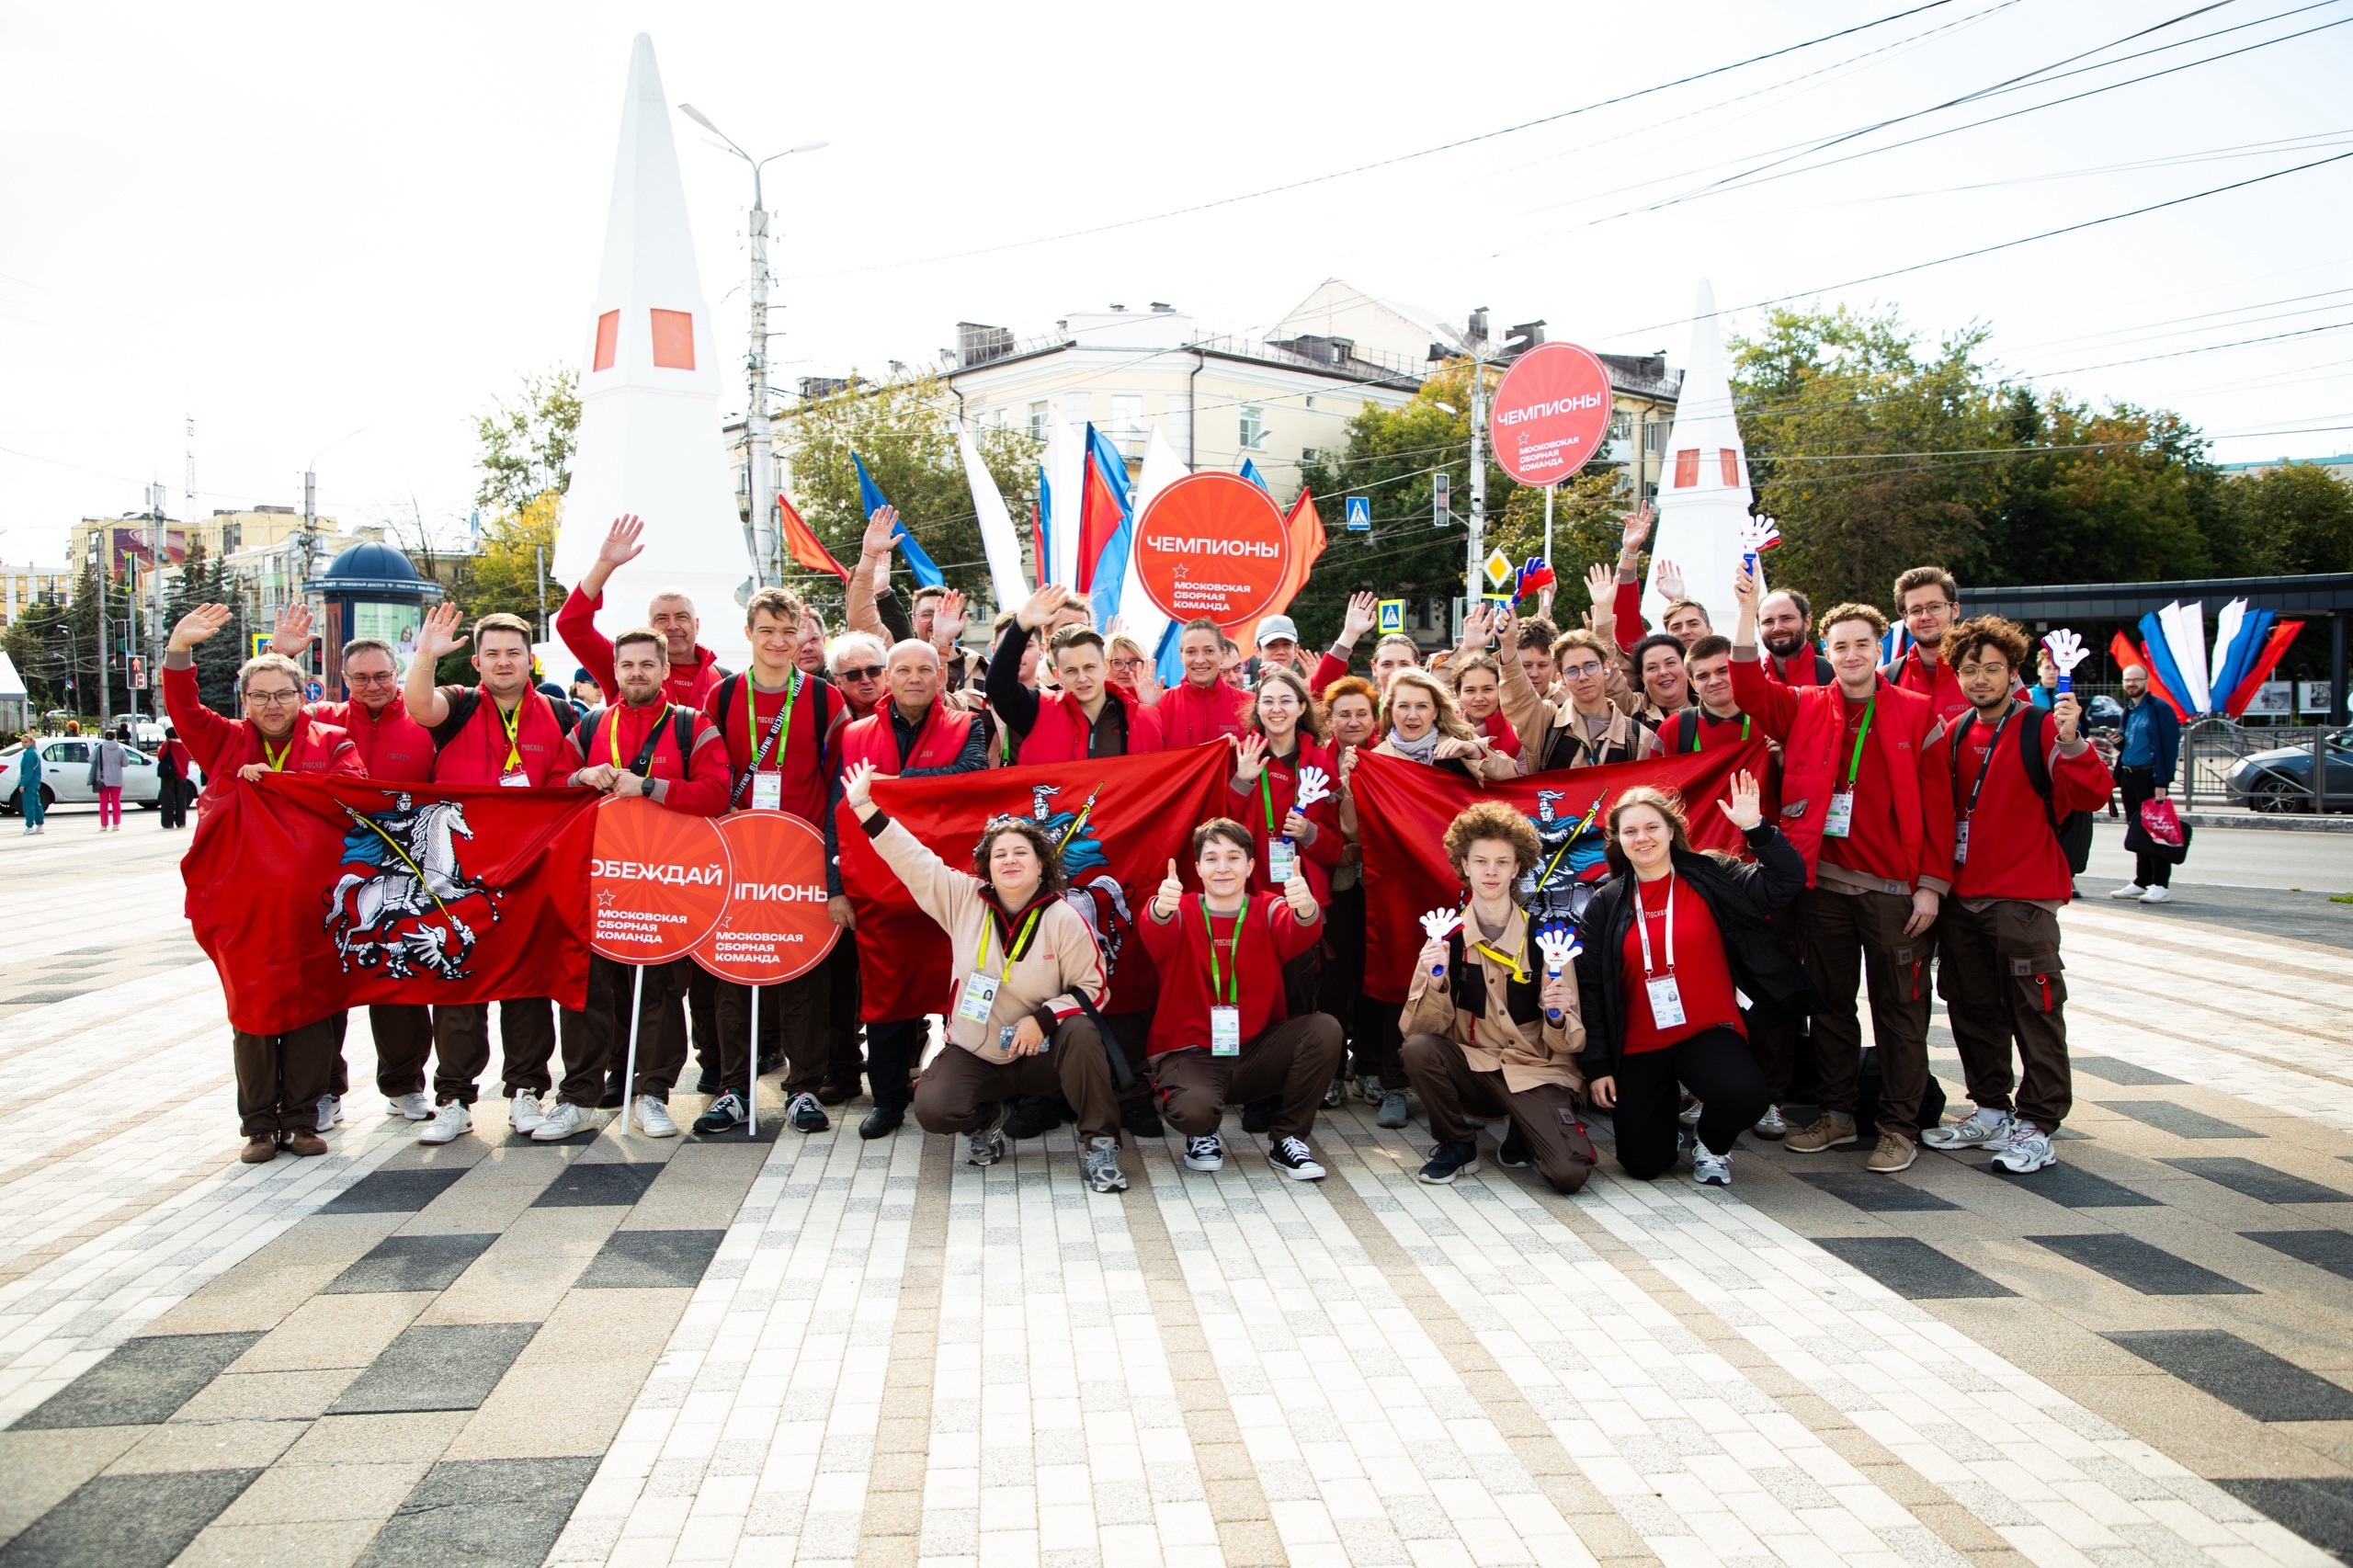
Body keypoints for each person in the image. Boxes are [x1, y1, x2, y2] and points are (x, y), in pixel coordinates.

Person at [1730, 564, 1954, 1174]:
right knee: (1829, 1006)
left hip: (1894, 894)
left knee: (1901, 1014)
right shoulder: (1804, 706)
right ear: (1825, 652)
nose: (1851, 655)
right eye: (1840, 646)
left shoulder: (1916, 713)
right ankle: (1837, 1112)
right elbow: (1748, 690)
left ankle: (1900, 1125)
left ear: (1880, 650)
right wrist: (1748, 614)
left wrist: (1931, 888)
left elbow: (1940, 809)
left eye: (1862, 644)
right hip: (1823, 887)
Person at [842, 763, 1129, 1189]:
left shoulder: (1064, 918)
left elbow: (1093, 989)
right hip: (979, 1051)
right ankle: (991, 1119)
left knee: (1084, 1031)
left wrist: (1045, 1018)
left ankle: (1101, 1145)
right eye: (1000, 854)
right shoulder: (962, 899)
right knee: (935, 1109)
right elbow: (912, 859)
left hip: (1043, 1053)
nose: (1010, 860)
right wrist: (864, 806)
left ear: (1040, 865)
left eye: (1020, 853)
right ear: (986, 867)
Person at [163, 604, 364, 1163]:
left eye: (283, 695)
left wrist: (286, 781)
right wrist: (180, 650)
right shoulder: (223, 742)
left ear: (304, 696)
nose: (272, 706)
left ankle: (301, 1120)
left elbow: (355, 799)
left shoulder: (334, 742)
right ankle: (257, 1127)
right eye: (260, 696)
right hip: (243, 909)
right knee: (251, 1014)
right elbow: (182, 705)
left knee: (311, 1010)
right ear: (244, 701)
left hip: (315, 909)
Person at [1919, 618, 2111, 1175]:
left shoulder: (2042, 726)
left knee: (2036, 1009)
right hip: (1963, 898)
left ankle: (2039, 1121)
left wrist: (2074, 740)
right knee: (1972, 1008)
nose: (1980, 679)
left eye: (1992, 669)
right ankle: (1990, 1108)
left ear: (2013, 673)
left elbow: (2092, 793)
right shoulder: (1955, 733)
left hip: (2023, 898)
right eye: (1970, 670)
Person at [403, 604, 585, 1145]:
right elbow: (419, 709)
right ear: (476, 663)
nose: (503, 663)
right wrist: (425, 658)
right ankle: (455, 1098)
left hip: (531, 873)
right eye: (492, 654)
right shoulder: (458, 706)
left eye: (513, 653)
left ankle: (526, 1089)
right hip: (460, 877)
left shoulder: (560, 714)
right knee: (459, 984)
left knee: (527, 985)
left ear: (531, 660)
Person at [545, 628, 733, 1142]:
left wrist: (650, 786)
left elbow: (718, 792)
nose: (636, 674)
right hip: (599, 884)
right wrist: (580, 779)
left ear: (665, 670)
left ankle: (653, 1094)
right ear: (615, 671)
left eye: (646, 665)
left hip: (667, 884)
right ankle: (577, 1096)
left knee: (661, 992)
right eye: (626, 665)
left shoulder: (694, 726)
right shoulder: (587, 726)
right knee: (587, 991)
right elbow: (550, 787)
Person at [1574, 775, 1810, 1186]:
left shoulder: (1711, 877)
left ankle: (1711, 1143)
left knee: (1746, 1095)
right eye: (1630, 831)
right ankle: (1665, 1124)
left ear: (1671, 830)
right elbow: (1591, 988)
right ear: (1617, 840)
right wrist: (1596, 1066)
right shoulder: (1607, 902)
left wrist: (1756, 828)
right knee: (1645, 1164)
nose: (1642, 838)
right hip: (1640, 1042)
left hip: (1705, 1029)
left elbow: (1786, 880)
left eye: (1651, 827)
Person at [270, 610, 440, 1126]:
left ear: (398, 673)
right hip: (329, 871)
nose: (373, 686)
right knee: (328, 984)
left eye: (382, 675)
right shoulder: (317, 722)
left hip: (402, 871)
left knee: (401, 977)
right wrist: (283, 655)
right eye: (361, 677)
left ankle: (405, 1084)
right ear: (344, 680)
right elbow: (261, 708)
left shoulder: (426, 723)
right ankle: (325, 1089)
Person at [694, 587, 852, 1131]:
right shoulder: (721, 696)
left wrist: (833, 863)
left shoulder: (822, 699)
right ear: (749, 635)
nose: (779, 641)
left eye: (790, 631)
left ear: (803, 636)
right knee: (733, 971)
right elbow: (710, 777)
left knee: (804, 975)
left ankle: (804, 1087)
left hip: (801, 857)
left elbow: (836, 786)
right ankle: (734, 1088)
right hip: (737, 856)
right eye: (768, 631)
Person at [839, 636, 992, 1137]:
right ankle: (886, 1101)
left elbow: (970, 776)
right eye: (901, 669)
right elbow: (835, 808)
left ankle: (969, 1094)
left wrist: (891, 782)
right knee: (885, 1004)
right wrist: (832, 884)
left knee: (962, 998)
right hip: (879, 889)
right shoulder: (853, 734)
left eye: (924, 669)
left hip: (948, 891)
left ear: (940, 676)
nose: (913, 678)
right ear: (887, 677)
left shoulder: (968, 724)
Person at [1399, 801, 1594, 1191]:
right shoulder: (1445, 940)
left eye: (1502, 862)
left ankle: (1525, 1125)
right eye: (1481, 861)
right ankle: (1457, 1144)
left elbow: (1571, 1041)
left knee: (1569, 1176)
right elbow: (1416, 1029)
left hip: (1536, 1071)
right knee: (1419, 1049)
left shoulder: (1546, 942)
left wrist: (1556, 1016)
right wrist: (1436, 979)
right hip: (1476, 1069)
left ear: (1517, 867)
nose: (1491, 872)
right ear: (1464, 865)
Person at [1140, 820, 1341, 1180]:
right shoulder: (1181, 910)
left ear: (1249, 866)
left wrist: (1307, 906)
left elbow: (1299, 929)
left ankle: (1288, 1139)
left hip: (1253, 1052)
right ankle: (1202, 1135)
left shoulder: (1266, 908)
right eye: (1212, 858)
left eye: (1233, 857)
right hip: (1191, 1052)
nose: (1222, 868)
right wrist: (1161, 907)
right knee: (1195, 1112)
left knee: (1323, 1028)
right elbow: (1154, 928)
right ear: (1197, 867)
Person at [558, 514, 730, 706]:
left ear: (696, 625)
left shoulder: (725, 682)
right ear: (649, 626)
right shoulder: (625, 666)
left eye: (681, 617)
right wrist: (605, 564)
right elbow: (571, 625)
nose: (672, 626)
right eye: (662, 619)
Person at [989, 586, 1165, 762]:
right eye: (1071, 670)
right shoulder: (1038, 710)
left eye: (1089, 667)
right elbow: (998, 687)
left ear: (1104, 666)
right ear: (1058, 675)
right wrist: (1022, 624)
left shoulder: (1142, 718)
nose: (1082, 678)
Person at [1320, 676, 1385, 1108]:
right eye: (1344, 714)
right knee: (1333, 980)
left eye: (1362, 713)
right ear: (1330, 720)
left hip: (1382, 884)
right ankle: (1328, 1072)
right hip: (1335, 883)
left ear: (1375, 717)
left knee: (1374, 976)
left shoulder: (1389, 756)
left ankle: (1370, 1066)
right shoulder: (1317, 760)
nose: (1353, 720)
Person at [1495, 619, 1656, 771]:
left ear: (1606, 669)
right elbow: (1519, 699)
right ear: (1561, 679)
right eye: (1572, 670)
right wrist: (1508, 645)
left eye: (1590, 666)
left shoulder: (1637, 737)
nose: (1583, 676)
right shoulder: (1545, 723)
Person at [2111, 664, 2182, 904]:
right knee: (2137, 831)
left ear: (2146, 681)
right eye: (2127, 680)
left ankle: (2160, 884)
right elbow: (2129, 745)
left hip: (2150, 777)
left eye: (2136, 680)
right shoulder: (2128, 711)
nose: (2131, 684)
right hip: (2130, 777)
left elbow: (2169, 747)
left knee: (2157, 830)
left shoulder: (2159, 709)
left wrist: (2162, 782)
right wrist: (2118, 742)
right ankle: (2142, 881)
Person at [1370, 669, 1518, 782]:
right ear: (1391, 711)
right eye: (1403, 706)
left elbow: (1513, 778)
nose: (1413, 715)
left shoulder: (1462, 740)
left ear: (1435, 712)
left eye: (1422, 706)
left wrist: (1474, 752)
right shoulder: (1377, 760)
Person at [1887, 565, 1971, 727]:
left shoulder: (1991, 671)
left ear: (1954, 610)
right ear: (1905, 619)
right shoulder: (1885, 680)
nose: (1925, 616)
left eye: (1934, 607)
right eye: (1916, 610)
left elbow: (2016, 735)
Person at [1156, 617, 1253, 746]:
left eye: (1209, 651)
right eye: (1191, 652)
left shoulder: (1249, 704)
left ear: (1223, 654)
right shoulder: (1160, 703)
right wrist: (1147, 708)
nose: (1200, 660)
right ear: (1181, 656)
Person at [1657, 636, 1755, 755]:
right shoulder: (1672, 729)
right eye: (1703, 676)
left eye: (1723, 671)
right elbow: (1656, 772)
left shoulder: (1768, 719)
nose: (1714, 681)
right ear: (1693, 684)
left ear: (1738, 670)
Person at [1450, 655, 1523, 764]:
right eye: (1470, 690)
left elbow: (1524, 778)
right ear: (1458, 694)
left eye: (1487, 689)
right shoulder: (1447, 729)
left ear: (1500, 691)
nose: (1479, 698)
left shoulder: (1517, 733)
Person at [1758, 587, 1835, 687]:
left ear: (1807, 622)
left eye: (1786, 619)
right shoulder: (1754, 684)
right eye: (1768, 622)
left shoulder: (1837, 675)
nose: (1777, 628)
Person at [1628, 632, 1691, 732]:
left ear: (1687, 668)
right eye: (1652, 668)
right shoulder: (1631, 710)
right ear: (1642, 677)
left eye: (1670, 663)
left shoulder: (1711, 707)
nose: (1663, 672)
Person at [88, 727, 126, 832]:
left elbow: (91, 759)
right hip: (117, 778)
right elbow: (125, 763)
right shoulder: (120, 748)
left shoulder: (99, 748)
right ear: (115, 737)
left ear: (105, 737)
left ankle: (104, 825)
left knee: (103, 803)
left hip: (102, 778)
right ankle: (116, 824)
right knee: (116, 802)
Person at [155, 724, 193, 829]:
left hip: (169, 773)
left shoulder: (167, 744)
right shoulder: (185, 744)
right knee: (181, 799)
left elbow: (161, 756)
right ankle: (181, 821)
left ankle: (168, 822)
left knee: (168, 798)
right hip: (182, 774)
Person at [17, 733, 43, 835]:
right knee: (37, 804)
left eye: (26, 742)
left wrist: (23, 784)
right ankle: (40, 825)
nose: (23, 744)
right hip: (35, 782)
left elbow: (28, 771)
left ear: (31, 742)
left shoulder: (29, 754)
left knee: (29, 806)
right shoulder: (35, 752)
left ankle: (29, 826)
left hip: (29, 783)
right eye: (22, 742)